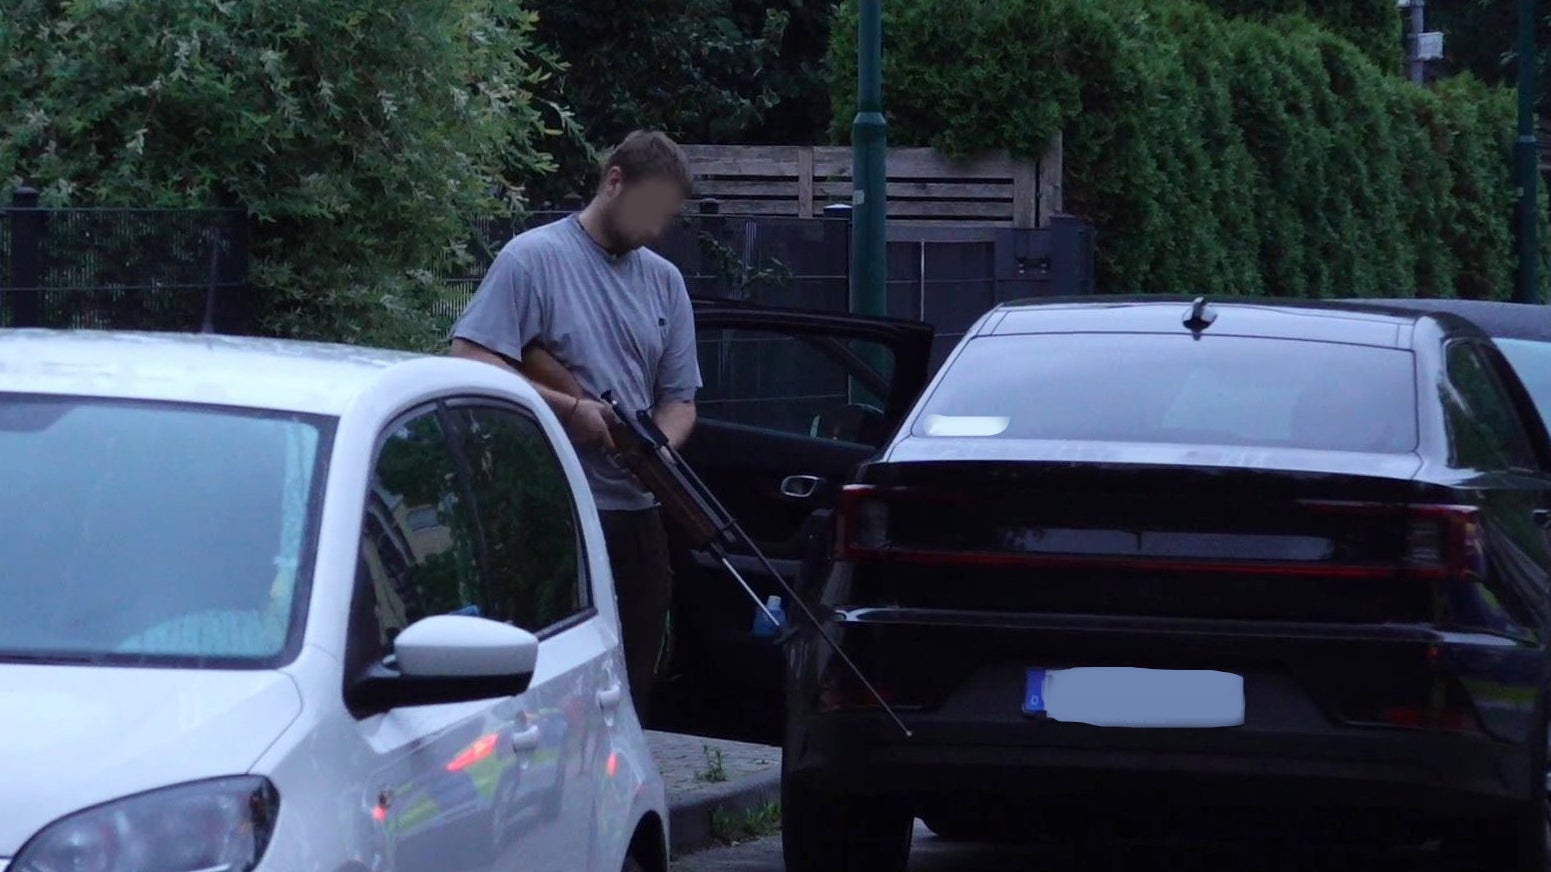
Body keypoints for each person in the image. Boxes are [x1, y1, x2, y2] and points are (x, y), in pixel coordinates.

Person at [448, 130, 701, 720]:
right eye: (651, 210)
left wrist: (657, 452)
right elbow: (469, 358)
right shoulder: (531, 258)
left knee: (632, 672)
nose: (658, 229)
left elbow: (680, 400)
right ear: (614, 181)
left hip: (635, 511)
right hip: (548, 507)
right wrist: (571, 410)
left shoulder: (665, 281)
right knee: (544, 683)